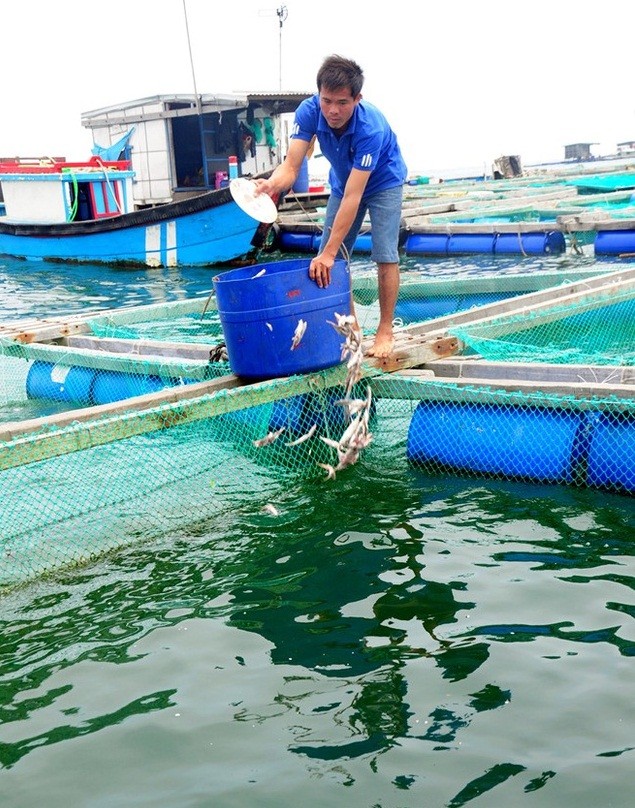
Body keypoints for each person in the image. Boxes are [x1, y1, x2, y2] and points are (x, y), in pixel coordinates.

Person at [254, 54, 407, 358]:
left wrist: (328, 252)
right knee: (328, 260)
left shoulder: (370, 128)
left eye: (342, 102)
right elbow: (291, 166)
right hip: (342, 181)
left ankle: (385, 329)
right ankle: (352, 329)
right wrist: (271, 183)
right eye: (327, 101)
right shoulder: (309, 112)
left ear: (357, 99)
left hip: (383, 181)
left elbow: (355, 196)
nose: (333, 111)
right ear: (318, 95)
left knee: (384, 252)